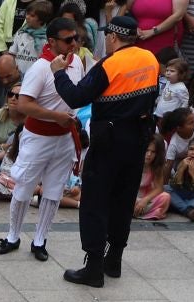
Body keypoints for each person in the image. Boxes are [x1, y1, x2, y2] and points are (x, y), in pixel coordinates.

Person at [54, 11, 160, 284]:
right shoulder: (150, 59)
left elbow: (77, 96)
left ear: (113, 37)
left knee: (95, 203)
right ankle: (114, 260)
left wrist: (59, 74)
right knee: (123, 200)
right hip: (137, 139)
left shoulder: (109, 65)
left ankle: (93, 268)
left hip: (109, 141)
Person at [0, 16, 88, 260]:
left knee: (54, 191)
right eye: (68, 40)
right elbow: (24, 105)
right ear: (52, 41)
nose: (74, 44)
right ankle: (13, 236)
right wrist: (56, 116)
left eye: (76, 38)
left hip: (65, 138)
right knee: (24, 186)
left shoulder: (77, 61)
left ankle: (40, 240)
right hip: (38, 137)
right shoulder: (39, 68)